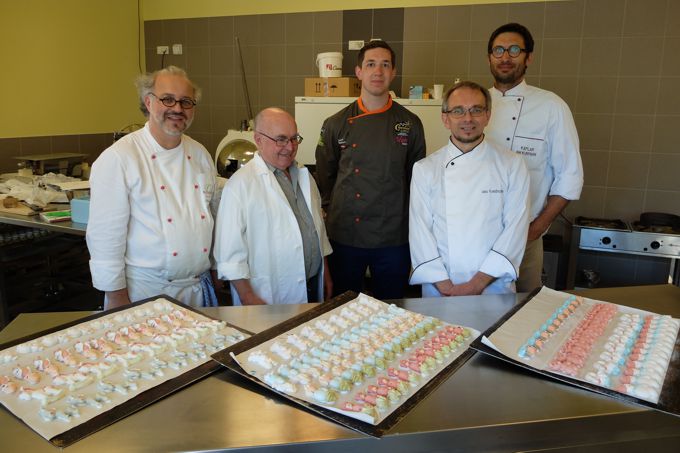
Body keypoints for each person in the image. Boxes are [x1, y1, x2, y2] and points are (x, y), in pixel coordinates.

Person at [87, 66, 218, 310]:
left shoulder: (200, 153)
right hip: (144, 292)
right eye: (167, 99)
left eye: (186, 102)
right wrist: (116, 298)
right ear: (148, 102)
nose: (177, 109)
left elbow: (210, 217)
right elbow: (105, 238)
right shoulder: (120, 157)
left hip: (196, 289)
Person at [315, 40, 426, 300]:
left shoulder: (410, 123)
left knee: (392, 306)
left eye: (385, 65)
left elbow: (416, 179)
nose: (378, 71)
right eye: (371, 64)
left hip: (393, 236)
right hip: (346, 233)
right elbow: (325, 175)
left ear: (393, 72)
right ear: (359, 72)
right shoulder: (335, 123)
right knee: (344, 306)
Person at [484, 23, 584, 293]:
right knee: (477, 307)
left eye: (514, 50)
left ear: (528, 57)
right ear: (489, 57)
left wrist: (536, 229)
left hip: (526, 236)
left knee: (524, 306)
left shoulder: (552, 106)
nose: (505, 57)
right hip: (478, 234)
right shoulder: (476, 105)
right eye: (498, 50)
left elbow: (570, 177)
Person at [409, 81, 530, 296]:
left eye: (476, 110)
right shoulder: (425, 169)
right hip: (440, 289)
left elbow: (515, 229)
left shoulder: (512, 164)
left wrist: (477, 284)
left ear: (487, 116)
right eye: (458, 111)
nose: (468, 119)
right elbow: (420, 232)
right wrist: (445, 286)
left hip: (493, 287)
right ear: (445, 118)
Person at [213, 107, 332, 305]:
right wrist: (247, 297)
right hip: (268, 294)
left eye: (294, 138)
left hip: (312, 284)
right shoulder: (240, 185)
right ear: (258, 139)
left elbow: (317, 230)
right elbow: (229, 253)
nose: (290, 147)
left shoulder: (304, 175)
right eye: (281, 139)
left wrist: (324, 272)